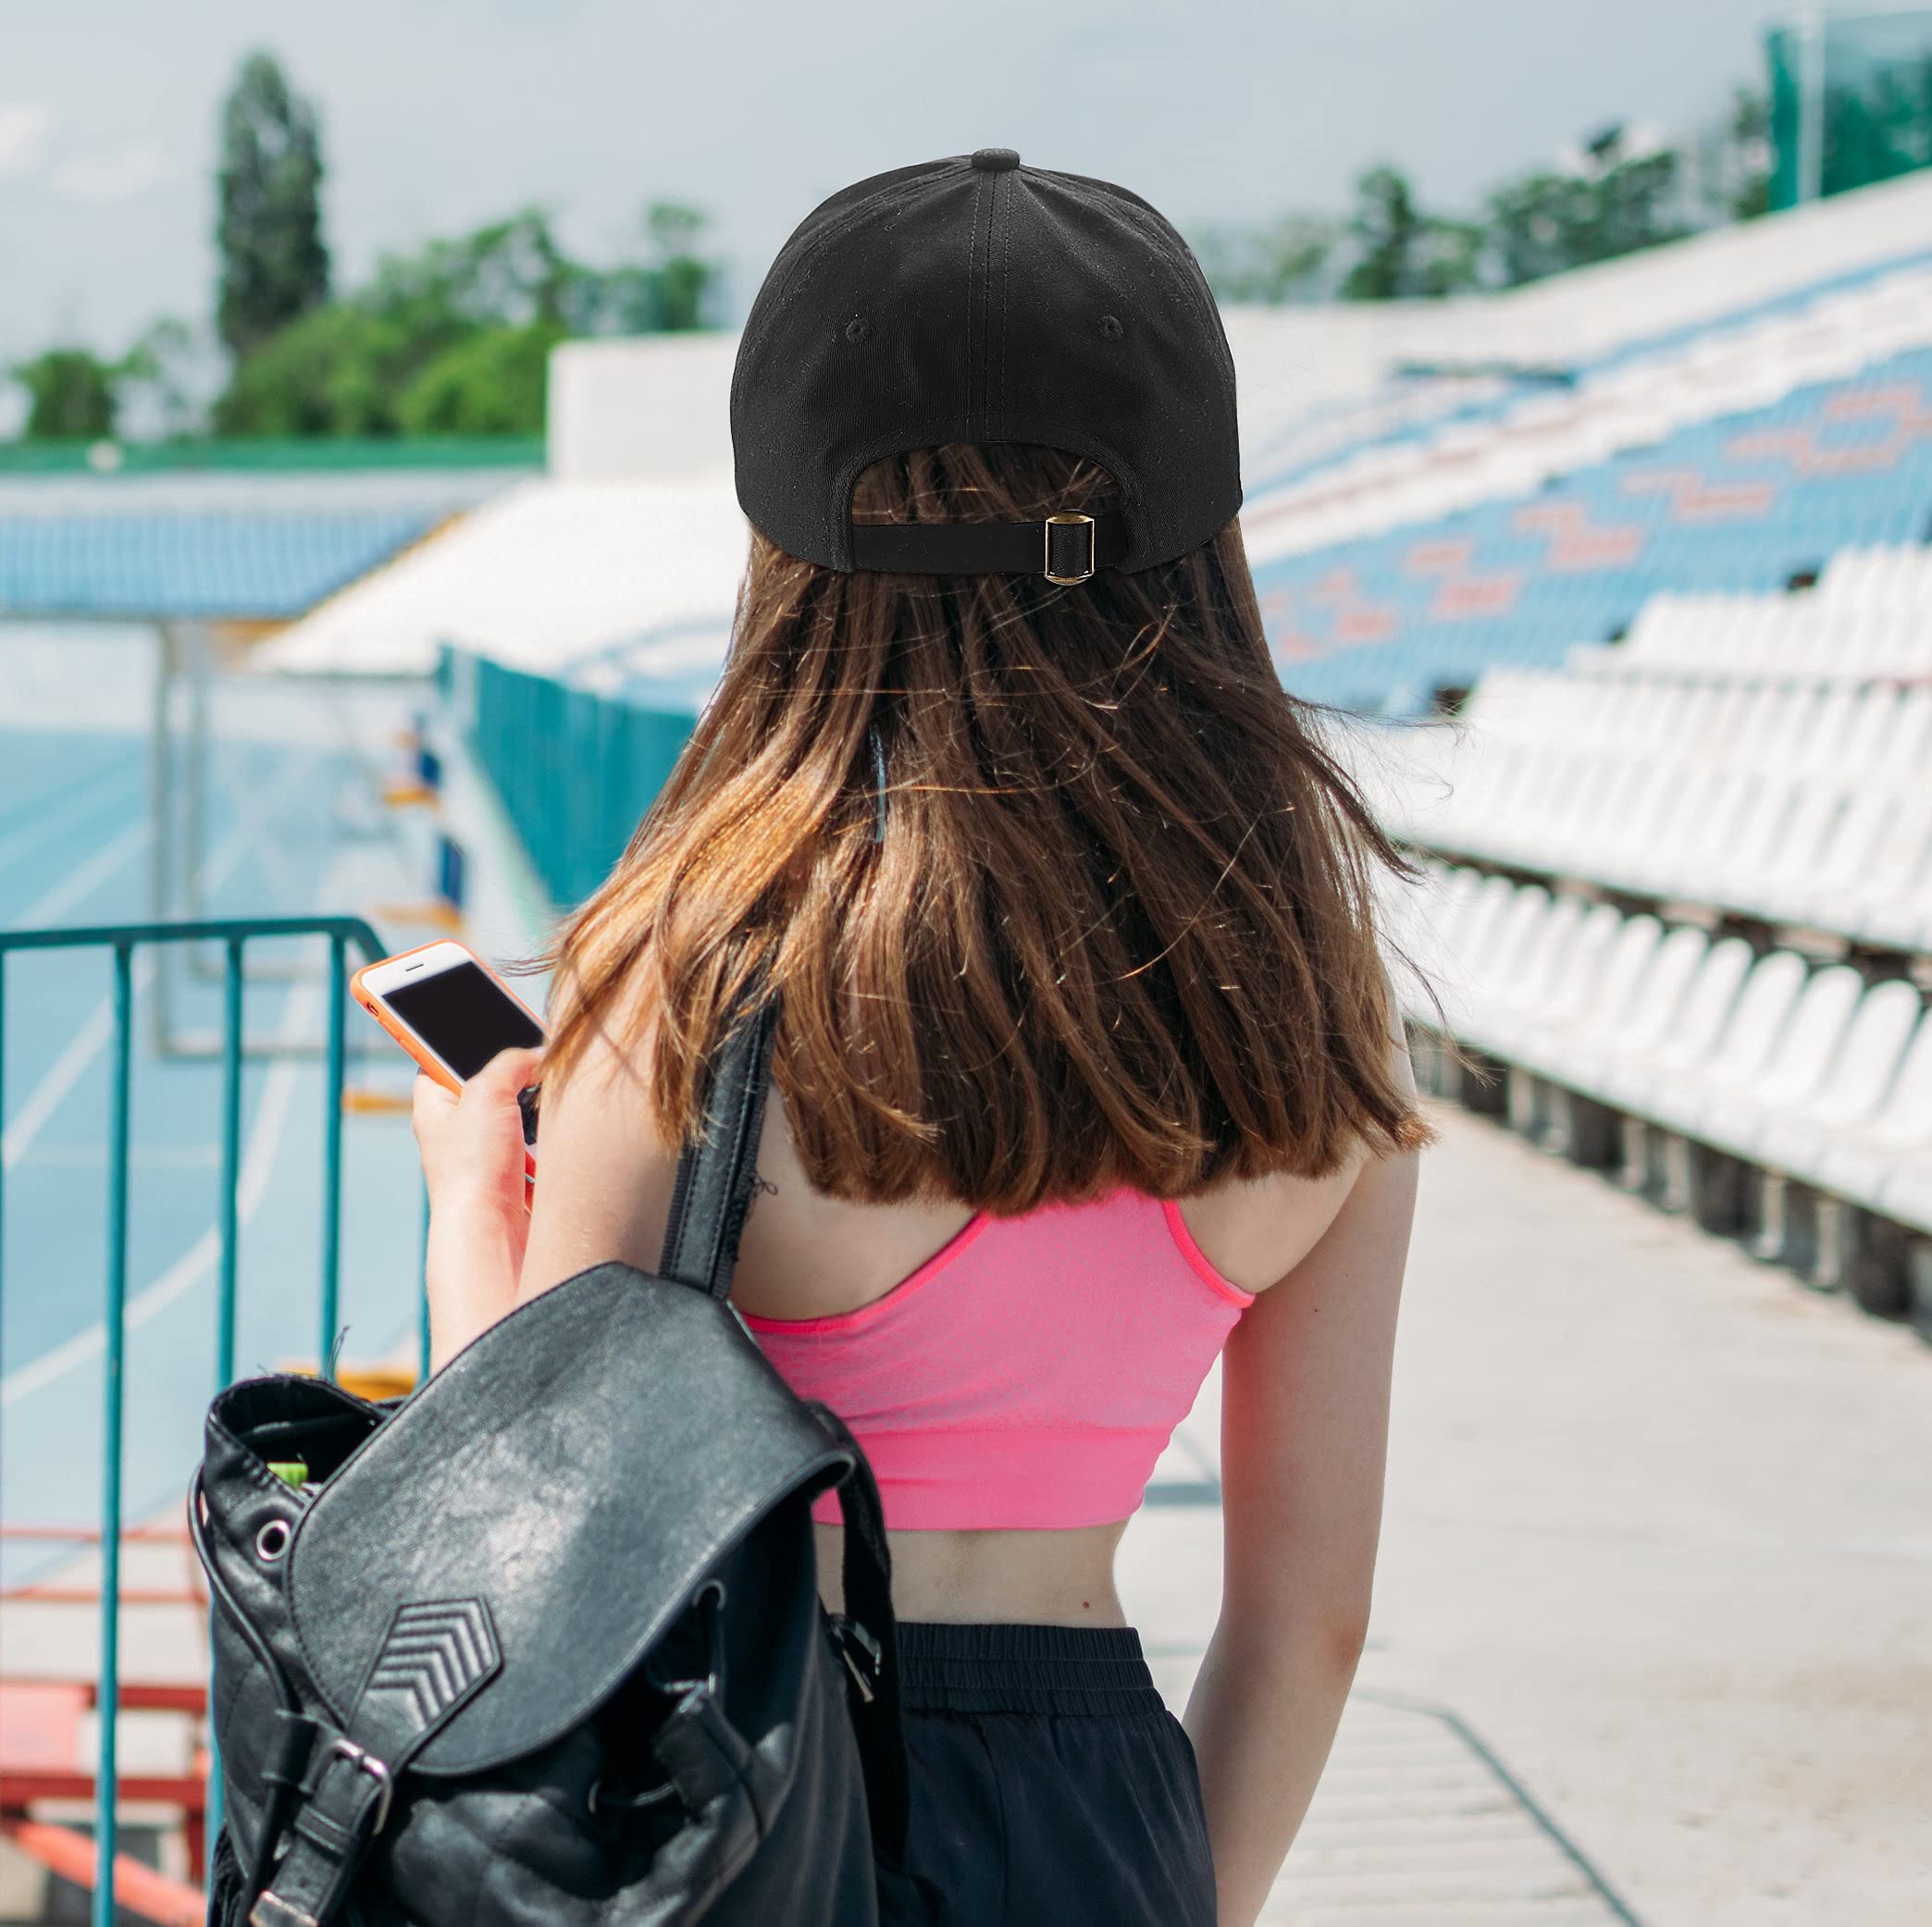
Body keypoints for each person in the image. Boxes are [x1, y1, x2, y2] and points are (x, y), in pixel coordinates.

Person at [411, 149, 1430, 1927]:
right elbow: (1308, 1622)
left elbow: (528, 1540)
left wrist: (469, 1206)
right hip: (1100, 1804)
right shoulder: (1319, 1020)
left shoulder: (698, 976)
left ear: (789, 545)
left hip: (746, 1797)